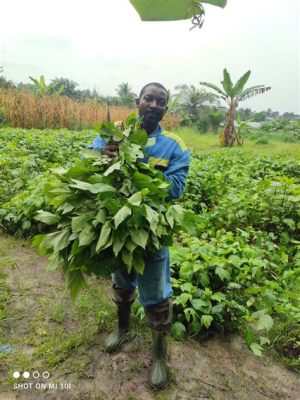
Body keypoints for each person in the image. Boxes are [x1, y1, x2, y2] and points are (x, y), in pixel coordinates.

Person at [89, 82, 190, 389]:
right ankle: (122, 328)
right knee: (121, 279)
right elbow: (91, 159)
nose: (154, 105)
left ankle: (159, 353)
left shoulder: (174, 145)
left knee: (156, 290)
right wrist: (104, 154)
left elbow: (175, 188)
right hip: (117, 225)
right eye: (149, 98)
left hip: (152, 231)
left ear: (166, 109)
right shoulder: (115, 131)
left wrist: (137, 168)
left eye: (161, 101)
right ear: (138, 101)